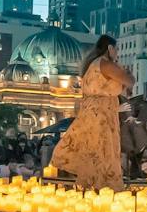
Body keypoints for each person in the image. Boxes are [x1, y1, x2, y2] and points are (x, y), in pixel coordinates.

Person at [49, 36, 135, 191]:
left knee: (93, 154)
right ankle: (103, 191)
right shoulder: (106, 64)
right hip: (101, 118)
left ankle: (91, 191)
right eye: (116, 49)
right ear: (110, 48)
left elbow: (110, 91)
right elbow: (129, 81)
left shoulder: (92, 65)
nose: (118, 53)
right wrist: (127, 72)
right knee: (103, 154)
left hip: (93, 115)